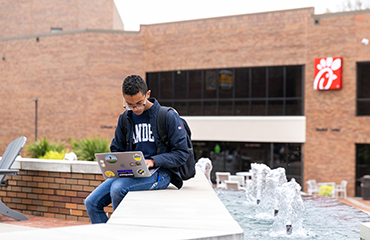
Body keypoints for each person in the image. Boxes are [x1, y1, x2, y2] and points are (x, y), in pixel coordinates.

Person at [85, 75, 189, 224]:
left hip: (161, 172)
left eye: (139, 103)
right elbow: (116, 148)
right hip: (132, 171)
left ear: (147, 94)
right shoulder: (125, 118)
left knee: (117, 189)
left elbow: (181, 153)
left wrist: (152, 161)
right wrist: (115, 162)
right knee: (91, 203)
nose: (136, 108)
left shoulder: (167, 116)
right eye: (130, 104)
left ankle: (124, 233)